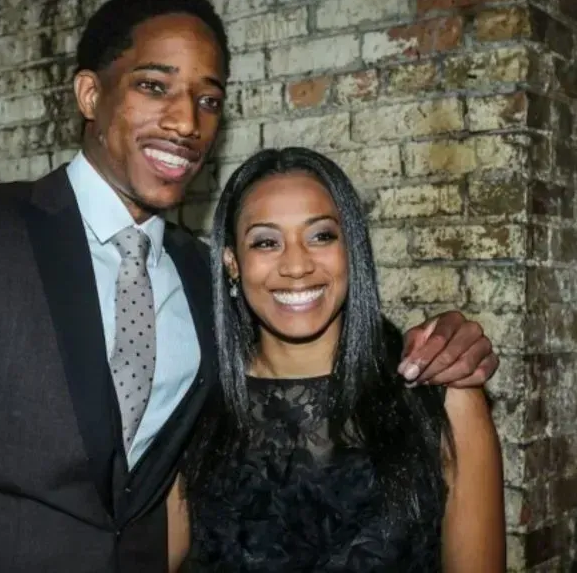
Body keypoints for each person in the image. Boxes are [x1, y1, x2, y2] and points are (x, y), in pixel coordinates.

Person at [0, 0, 500, 571]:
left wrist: (450, 338)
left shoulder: (200, 280)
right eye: (155, 86)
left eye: (208, 100)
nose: (187, 121)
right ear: (91, 94)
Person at [168, 147, 505, 572]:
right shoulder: (196, 406)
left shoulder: (442, 397)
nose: (296, 265)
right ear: (233, 263)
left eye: (321, 236)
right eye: (266, 242)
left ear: (352, 249)